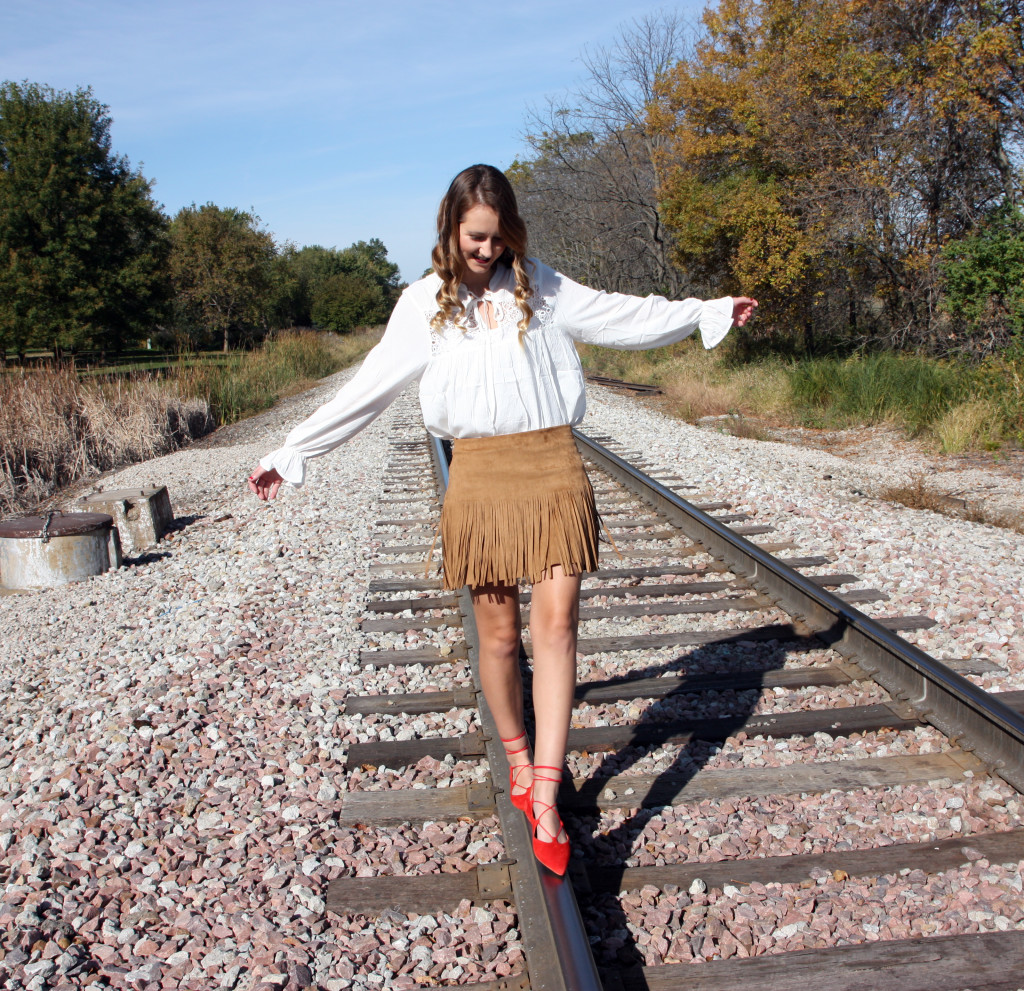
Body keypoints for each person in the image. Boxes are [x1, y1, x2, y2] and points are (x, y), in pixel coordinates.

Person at [249, 164, 758, 875]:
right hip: (480, 475)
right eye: (474, 237)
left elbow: (621, 313)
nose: (486, 250)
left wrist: (703, 310)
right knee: (496, 637)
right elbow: (368, 387)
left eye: (497, 236)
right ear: (451, 231)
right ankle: (519, 758)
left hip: (552, 465)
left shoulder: (542, 287)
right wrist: (291, 450)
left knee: (556, 628)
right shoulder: (424, 304)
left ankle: (545, 793)